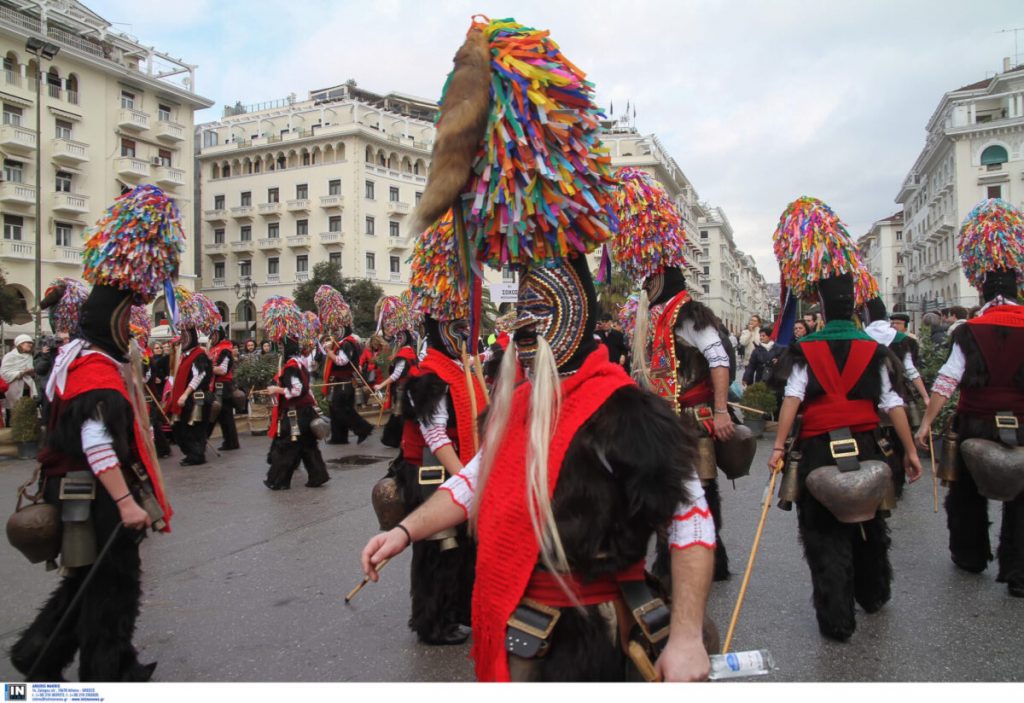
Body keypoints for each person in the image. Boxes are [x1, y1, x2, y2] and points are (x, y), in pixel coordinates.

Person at [364, 17, 713, 682]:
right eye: (518, 309)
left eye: (538, 309)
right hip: (521, 631)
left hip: (599, 643)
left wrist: (690, 634)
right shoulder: (520, 401)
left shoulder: (625, 411)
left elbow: (691, 518)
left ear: (574, 310)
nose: (522, 326)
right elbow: (470, 483)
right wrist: (404, 530)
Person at [9, 183, 178, 682]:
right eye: (130, 318)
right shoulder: (95, 370)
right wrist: (126, 502)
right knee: (109, 586)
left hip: (78, 489)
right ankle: (107, 675)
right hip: (94, 493)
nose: (133, 328)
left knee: (87, 582)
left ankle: (39, 655)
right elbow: (96, 443)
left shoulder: (79, 356)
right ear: (113, 318)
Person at [768, 197, 922, 642]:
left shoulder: (806, 350)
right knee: (871, 522)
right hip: (868, 446)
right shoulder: (876, 350)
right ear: (855, 306)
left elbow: (792, 402)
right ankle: (873, 593)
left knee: (822, 534)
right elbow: (893, 404)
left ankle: (837, 620)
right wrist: (910, 451)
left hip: (817, 450)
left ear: (818, 307)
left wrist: (777, 449)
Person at [610, 166, 740, 583]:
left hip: (693, 418)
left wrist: (721, 410)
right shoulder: (657, 316)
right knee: (669, 490)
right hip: (665, 419)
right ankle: (684, 560)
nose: (644, 287)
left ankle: (699, 562)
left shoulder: (688, 314)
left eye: (649, 280)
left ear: (662, 277)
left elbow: (719, 359)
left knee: (699, 489)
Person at [913, 198, 1024, 597]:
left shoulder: (969, 329)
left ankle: (971, 554)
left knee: (965, 494)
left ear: (980, 286)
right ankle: (1019, 573)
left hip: (975, 422)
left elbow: (946, 380)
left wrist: (927, 423)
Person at [387, 212, 487, 645]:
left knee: (460, 551)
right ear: (443, 326)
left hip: (456, 472)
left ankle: (455, 612)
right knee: (436, 550)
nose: (465, 332)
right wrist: (468, 480)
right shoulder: (429, 375)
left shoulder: (462, 367)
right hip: (433, 474)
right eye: (458, 326)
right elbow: (435, 435)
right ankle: (431, 621)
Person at [862, 296, 928, 498]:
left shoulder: (860, 337)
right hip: (897, 400)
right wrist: (926, 396)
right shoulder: (902, 340)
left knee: (872, 443)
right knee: (898, 440)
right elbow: (911, 371)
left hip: (867, 401)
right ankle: (898, 477)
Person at [264, 325, 330, 491]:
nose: (280, 349)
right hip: (306, 410)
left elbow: (297, 389)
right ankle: (318, 475)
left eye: (281, 346)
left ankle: (278, 480)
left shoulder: (291, 367)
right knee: (307, 446)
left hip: (296, 412)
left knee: (286, 446)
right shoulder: (299, 363)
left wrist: (276, 389)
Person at [166, 288, 216, 467]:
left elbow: (199, 375)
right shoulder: (185, 355)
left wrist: (185, 394)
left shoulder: (198, 355)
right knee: (181, 429)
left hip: (196, 398)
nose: (183, 339)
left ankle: (196, 455)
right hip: (185, 399)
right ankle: (192, 453)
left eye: (186, 336)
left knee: (193, 428)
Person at [323, 322, 373, 445]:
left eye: (336, 330)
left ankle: (363, 429)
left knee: (342, 409)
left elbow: (342, 361)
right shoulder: (342, 343)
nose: (334, 334)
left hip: (345, 382)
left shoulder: (347, 343)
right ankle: (339, 437)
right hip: (340, 381)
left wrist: (329, 352)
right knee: (335, 409)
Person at [207, 326, 240, 451]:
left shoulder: (225, 349)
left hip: (223, 385)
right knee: (224, 415)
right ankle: (231, 441)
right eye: (211, 334)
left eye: (215, 334)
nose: (212, 337)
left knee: (219, 413)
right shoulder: (213, 349)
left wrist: (207, 367)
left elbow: (222, 370)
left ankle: (204, 439)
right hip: (215, 384)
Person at [2, 334, 38, 424]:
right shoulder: (10, 356)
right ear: (20, 344)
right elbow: (4, 373)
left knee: (27, 410)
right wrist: (21, 373)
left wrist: (32, 371)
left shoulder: (29, 356)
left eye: (31, 343)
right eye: (27, 343)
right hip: (14, 387)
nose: (30, 345)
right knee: (13, 410)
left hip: (28, 388)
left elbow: (32, 371)